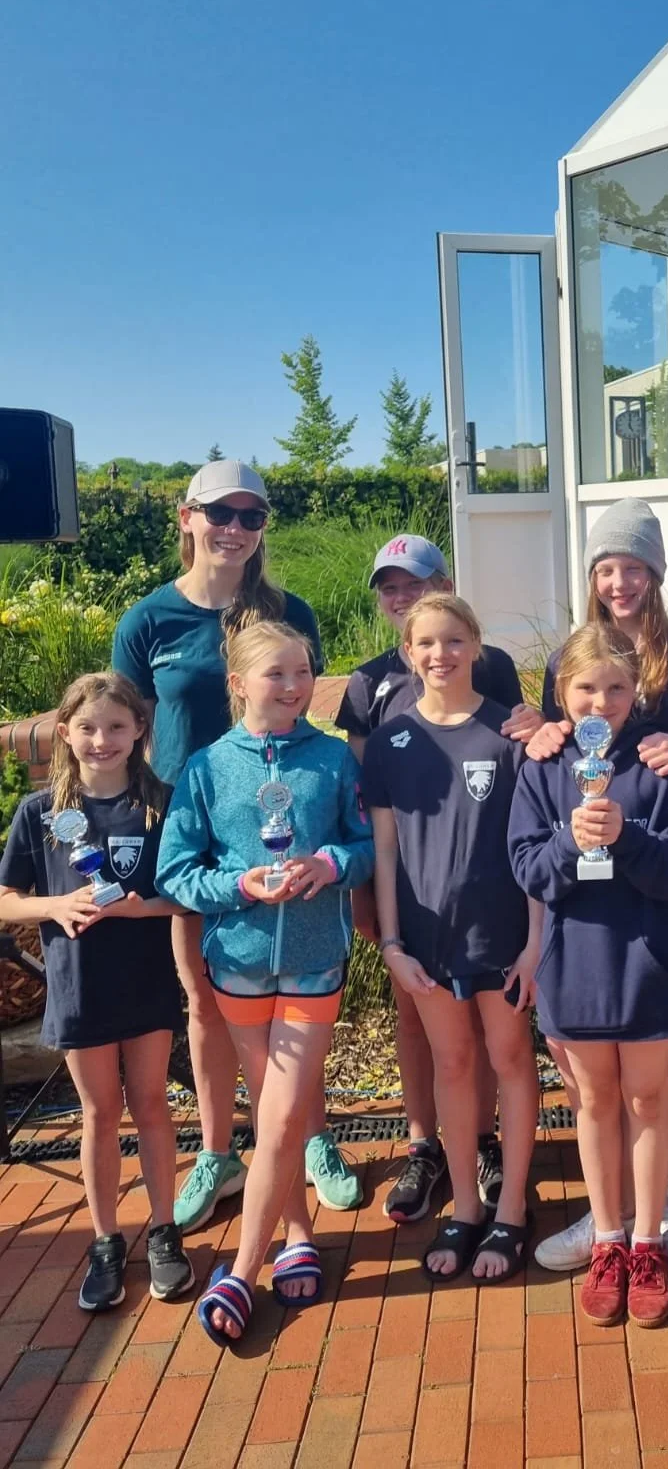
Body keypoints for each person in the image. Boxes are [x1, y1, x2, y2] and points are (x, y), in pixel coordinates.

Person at [113, 460, 359, 1226]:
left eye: (253, 517)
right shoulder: (148, 620)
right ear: (187, 517)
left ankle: (306, 1138)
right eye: (222, 512)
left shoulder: (290, 611)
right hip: (194, 841)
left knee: (295, 994)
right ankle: (218, 1153)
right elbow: (126, 727)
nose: (237, 529)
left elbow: (309, 713)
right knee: (207, 1004)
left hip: (290, 852)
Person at [530, 498, 668, 1275]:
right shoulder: (575, 659)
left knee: (662, 1038)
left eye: (633, 565)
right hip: (586, 896)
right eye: (605, 567)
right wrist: (546, 733)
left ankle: (665, 1199)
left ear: (654, 571)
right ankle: (610, 1210)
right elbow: (553, 758)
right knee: (602, 1066)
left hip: (665, 874)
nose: (619, 580)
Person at [156, 621, 374, 1347]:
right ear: (239, 683)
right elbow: (176, 870)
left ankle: (243, 1270)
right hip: (239, 960)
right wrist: (239, 885)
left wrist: (333, 865)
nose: (293, 686)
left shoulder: (333, 760)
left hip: (316, 955)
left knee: (280, 1117)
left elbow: (369, 843)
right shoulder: (207, 768)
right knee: (270, 1110)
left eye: (303, 672)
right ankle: (297, 1235)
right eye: (276, 674)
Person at [336, 534, 542, 1226]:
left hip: (501, 924)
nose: (438, 654)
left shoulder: (503, 716)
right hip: (422, 926)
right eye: (425, 642)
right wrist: (387, 932)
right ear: (407, 649)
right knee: (448, 1055)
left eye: (454, 640)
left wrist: (537, 936)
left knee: (507, 1055)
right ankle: (449, 1178)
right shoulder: (380, 709)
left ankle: (506, 1193)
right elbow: (383, 835)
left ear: (476, 645)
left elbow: (533, 814)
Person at [509, 622, 668, 1327]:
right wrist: (572, 838)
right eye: (586, 687)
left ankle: (649, 1241)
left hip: (649, 959)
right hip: (576, 962)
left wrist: (627, 836)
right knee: (593, 1102)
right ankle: (607, 1238)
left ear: (636, 692)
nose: (601, 701)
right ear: (563, 692)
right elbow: (528, 868)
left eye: (616, 688)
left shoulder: (662, 765)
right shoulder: (541, 767)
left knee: (648, 1102)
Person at [0, 673, 192, 1312]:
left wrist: (140, 911)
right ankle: (106, 1239)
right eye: (87, 727)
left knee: (152, 1104)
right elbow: (6, 901)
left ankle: (163, 1231)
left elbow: (184, 893)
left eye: (116, 727)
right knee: (100, 1113)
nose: (102, 740)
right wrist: (56, 906)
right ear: (65, 734)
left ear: (140, 730)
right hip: (79, 986)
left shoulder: (160, 803)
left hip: (146, 980)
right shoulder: (41, 814)